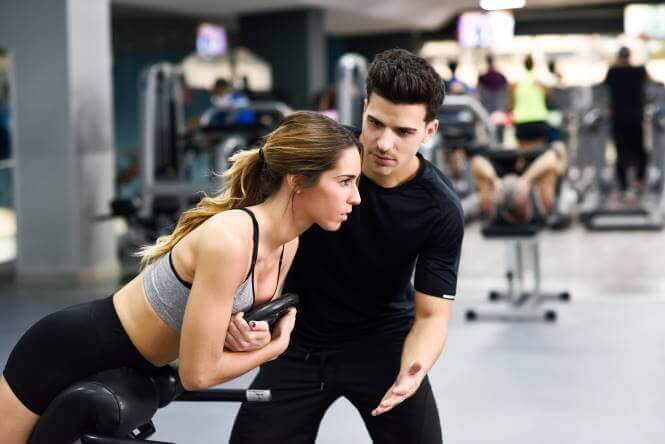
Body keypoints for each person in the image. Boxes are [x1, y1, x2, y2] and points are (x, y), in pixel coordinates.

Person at [0, 111, 363, 444]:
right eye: (345, 181)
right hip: (64, 350)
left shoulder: (289, 242)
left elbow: (221, 330)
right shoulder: (232, 240)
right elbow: (197, 374)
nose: (356, 197)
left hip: (130, 362)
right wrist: (273, 348)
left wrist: (250, 336)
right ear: (298, 180)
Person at [230, 48, 464, 443]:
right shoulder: (315, 163)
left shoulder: (439, 208)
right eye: (375, 123)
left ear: (430, 131)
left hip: (383, 345)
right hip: (296, 340)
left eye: (404, 132)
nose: (384, 143)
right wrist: (237, 309)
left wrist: (414, 369)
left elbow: (431, 317)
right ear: (364, 108)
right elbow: (252, 241)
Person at [471, 141, 568, 225]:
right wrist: (526, 179)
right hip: (531, 173)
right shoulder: (543, 202)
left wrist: (495, 180)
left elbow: (476, 161)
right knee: (559, 148)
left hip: (504, 177)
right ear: (523, 197)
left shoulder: (491, 206)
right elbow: (552, 157)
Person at [603, 46, 649, 195]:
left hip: (619, 119)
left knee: (621, 152)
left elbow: (603, 91)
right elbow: (652, 84)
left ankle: (624, 185)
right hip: (635, 118)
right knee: (639, 151)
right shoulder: (639, 71)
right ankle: (638, 180)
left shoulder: (613, 72)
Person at [509, 55, 550, 149]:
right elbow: (549, 95)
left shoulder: (516, 84)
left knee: (523, 153)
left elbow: (511, 103)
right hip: (538, 118)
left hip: (522, 119)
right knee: (539, 152)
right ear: (534, 65)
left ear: (524, 65)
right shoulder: (539, 82)